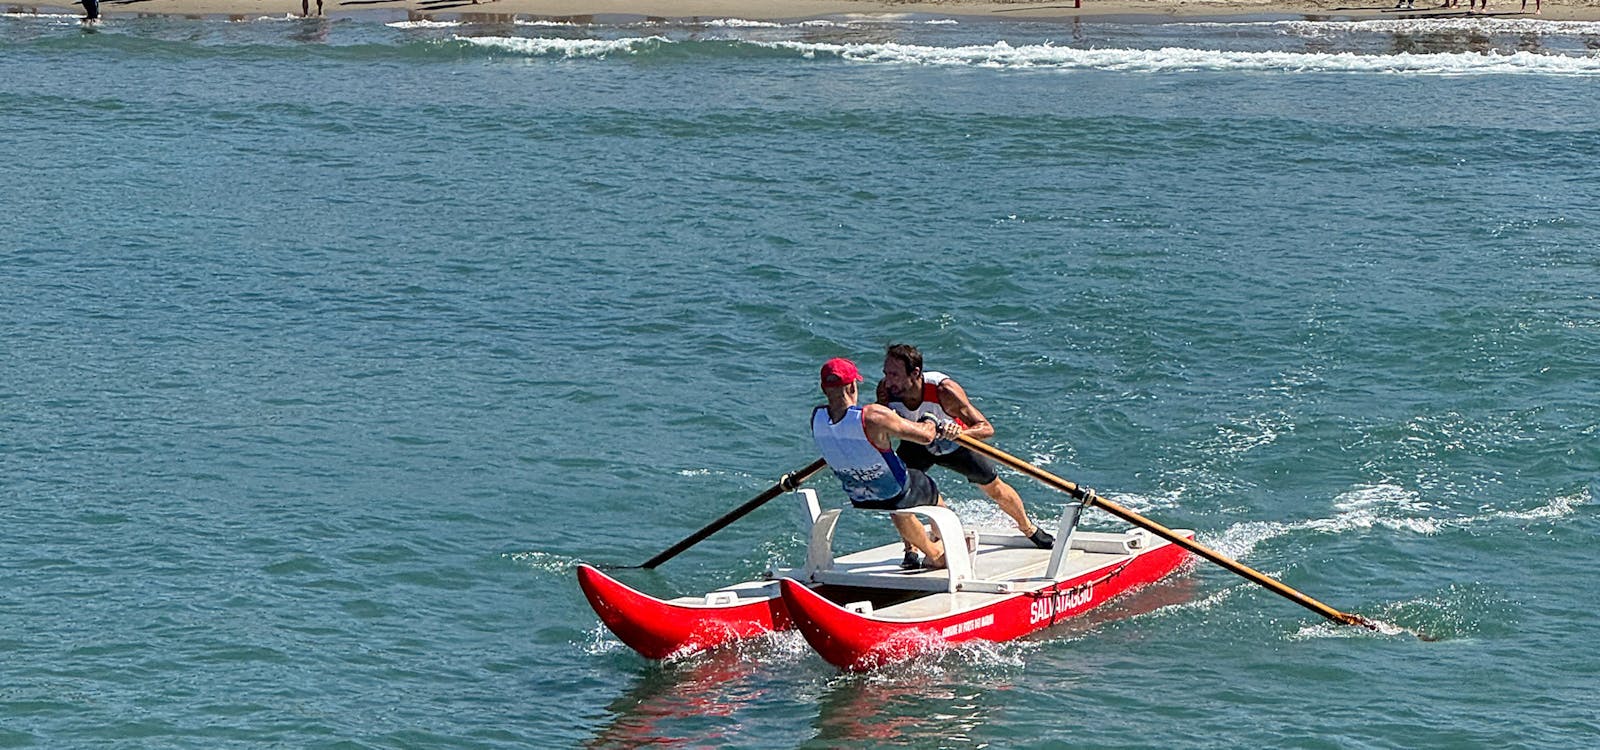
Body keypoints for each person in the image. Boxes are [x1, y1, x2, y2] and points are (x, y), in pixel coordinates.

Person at [875, 344, 1056, 550]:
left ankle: (1028, 528)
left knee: (994, 487)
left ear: (915, 373)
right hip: (917, 444)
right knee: (898, 492)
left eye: (894, 375)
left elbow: (986, 428)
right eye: (886, 373)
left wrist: (960, 434)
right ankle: (912, 548)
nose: (888, 381)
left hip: (954, 444)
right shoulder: (887, 391)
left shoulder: (944, 391)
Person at [812, 357, 961, 570]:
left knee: (897, 502)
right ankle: (938, 549)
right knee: (925, 487)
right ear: (853, 386)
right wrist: (930, 419)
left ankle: (917, 549)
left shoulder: (817, 418)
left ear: (823, 388)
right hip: (894, 491)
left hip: (859, 497)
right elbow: (926, 436)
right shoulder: (873, 415)